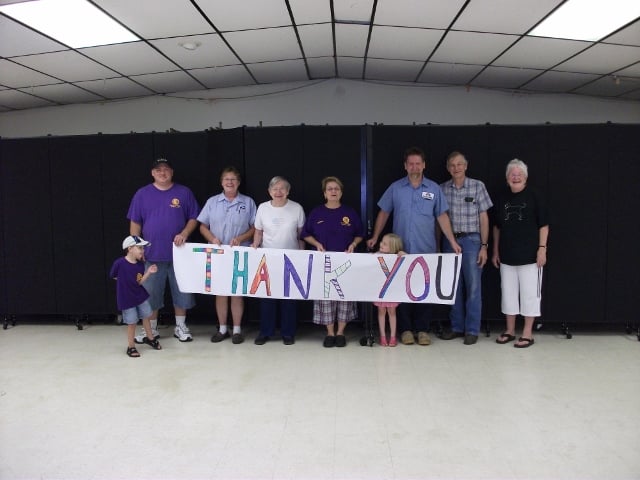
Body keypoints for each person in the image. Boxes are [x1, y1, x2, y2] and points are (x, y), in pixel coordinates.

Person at [366, 146, 461, 346]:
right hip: (399, 251)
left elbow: (442, 216)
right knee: (401, 290)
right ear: (405, 166)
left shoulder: (434, 189)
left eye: (418, 163)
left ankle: (423, 329)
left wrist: (452, 241)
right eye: (411, 163)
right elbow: (384, 212)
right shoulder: (396, 188)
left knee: (423, 289)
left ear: (424, 165)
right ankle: (406, 330)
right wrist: (375, 236)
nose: (414, 167)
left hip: (425, 248)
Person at [127, 158, 200, 343]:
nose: (162, 173)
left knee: (182, 292)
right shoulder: (142, 194)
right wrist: (137, 248)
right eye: (158, 170)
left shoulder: (184, 192)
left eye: (166, 169)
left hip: (180, 254)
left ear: (172, 172)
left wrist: (184, 232)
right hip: (151, 255)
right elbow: (135, 222)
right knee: (150, 294)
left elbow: (194, 217)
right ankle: (150, 329)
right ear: (152, 173)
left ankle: (180, 326)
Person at [492, 159, 549, 348]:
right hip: (507, 256)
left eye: (519, 174)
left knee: (529, 295)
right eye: (512, 174)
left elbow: (544, 224)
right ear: (507, 178)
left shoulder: (534, 196)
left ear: (525, 177)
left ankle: (527, 333)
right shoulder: (501, 197)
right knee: (508, 294)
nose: (515, 177)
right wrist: (495, 250)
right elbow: (497, 227)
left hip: (530, 257)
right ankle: (509, 330)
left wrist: (542, 249)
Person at [301, 176, 364, 348]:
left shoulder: (349, 212)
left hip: (345, 263)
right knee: (325, 297)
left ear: (341, 192)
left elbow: (360, 233)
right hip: (324, 263)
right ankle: (329, 332)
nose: (333, 191)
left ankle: (341, 332)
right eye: (330, 189)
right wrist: (316, 244)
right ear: (324, 193)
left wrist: (353, 244)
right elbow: (305, 234)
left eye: (336, 188)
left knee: (344, 297)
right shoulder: (317, 213)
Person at [439, 151, 493, 345]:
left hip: (472, 240)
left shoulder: (478, 186)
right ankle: (456, 327)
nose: (456, 168)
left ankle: (471, 329)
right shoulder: (442, 189)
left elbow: (484, 218)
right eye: (452, 165)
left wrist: (484, 246)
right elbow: (439, 219)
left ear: (466, 166)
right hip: (450, 240)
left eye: (459, 164)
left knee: (473, 286)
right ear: (448, 168)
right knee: (453, 286)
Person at [198, 167, 256, 345]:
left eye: (233, 179)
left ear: (238, 183)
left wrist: (241, 238)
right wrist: (212, 238)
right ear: (221, 182)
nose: (230, 182)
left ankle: (237, 330)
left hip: (239, 253)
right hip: (217, 254)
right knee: (221, 293)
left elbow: (255, 227)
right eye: (226, 179)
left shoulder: (248, 202)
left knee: (237, 292)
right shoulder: (212, 202)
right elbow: (202, 226)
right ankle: (222, 328)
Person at [251, 176, 306, 345]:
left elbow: (301, 234)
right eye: (275, 189)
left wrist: (301, 254)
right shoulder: (262, 208)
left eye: (282, 189)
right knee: (267, 296)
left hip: (291, 258)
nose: (278, 192)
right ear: (269, 191)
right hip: (268, 259)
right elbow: (258, 232)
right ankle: (265, 332)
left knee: (288, 297)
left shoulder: (296, 208)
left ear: (288, 191)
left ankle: (287, 333)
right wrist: (254, 246)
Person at [110, 235, 162, 357]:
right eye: (140, 248)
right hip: (127, 299)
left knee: (146, 316)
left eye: (143, 248)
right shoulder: (119, 263)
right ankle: (131, 346)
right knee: (132, 322)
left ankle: (150, 338)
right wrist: (124, 284)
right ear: (130, 248)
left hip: (140, 296)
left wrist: (149, 272)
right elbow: (113, 275)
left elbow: (139, 281)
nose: (142, 251)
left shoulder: (140, 265)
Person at [374, 233, 406, 347]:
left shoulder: (398, 256)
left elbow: (408, 261)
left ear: (392, 248)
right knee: (381, 312)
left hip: (392, 291)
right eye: (381, 241)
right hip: (381, 291)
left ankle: (393, 336)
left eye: (385, 244)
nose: (381, 244)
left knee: (392, 312)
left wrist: (403, 254)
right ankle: (382, 336)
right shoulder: (377, 255)